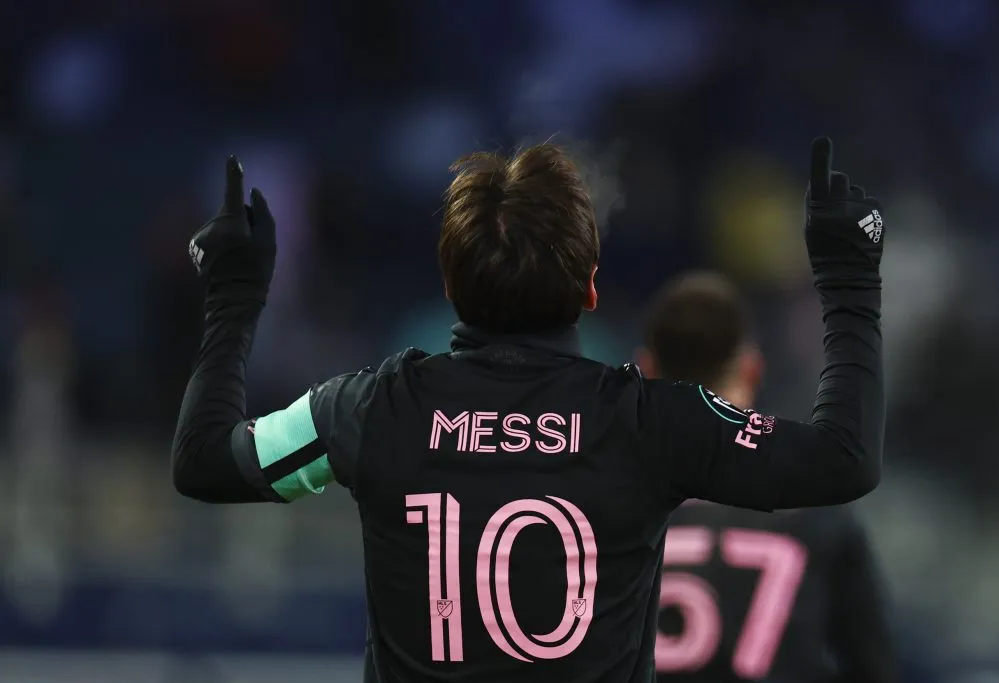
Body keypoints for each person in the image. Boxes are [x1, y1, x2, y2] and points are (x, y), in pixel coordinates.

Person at [171, 137, 886, 683]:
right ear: (591, 290)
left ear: (450, 286)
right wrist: (848, 278)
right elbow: (842, 459)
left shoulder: (367, 409)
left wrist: (234, 297)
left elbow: (206, 461)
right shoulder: (650, 422)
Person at [637, 272, 897, 683]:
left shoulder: (602, 502)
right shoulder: (815, 508)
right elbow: (874, 668)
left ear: (646, 370)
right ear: (752, 370)